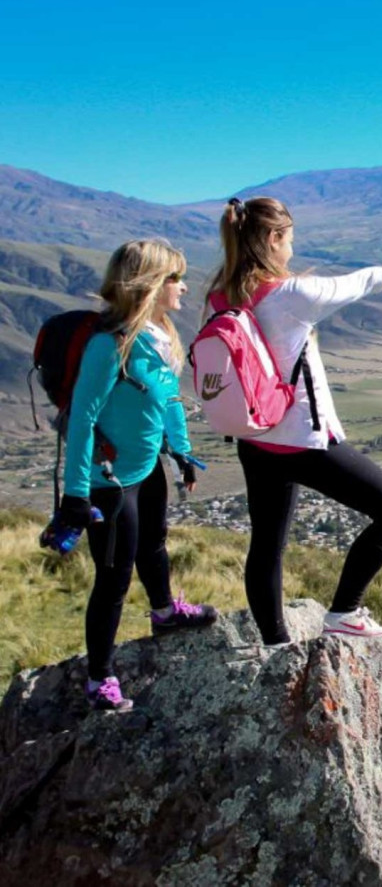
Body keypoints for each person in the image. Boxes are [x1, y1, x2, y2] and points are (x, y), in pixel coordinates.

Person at [209, 196, 382, 646]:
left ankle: (275, 642)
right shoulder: (295, 295)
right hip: (300, 440)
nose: (292, 251)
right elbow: (369, 280)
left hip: (253, 437)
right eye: (290, 241)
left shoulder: (220, 294)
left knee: (267, 545)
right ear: (274, 238)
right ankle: (344, 612)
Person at [59, 239, 218, 712]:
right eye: (174, 278)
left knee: (154, 543)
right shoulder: (108, 347)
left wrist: (183, 453)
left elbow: (168, 400)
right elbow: (82, 419)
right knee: (113, 578)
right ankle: (99, 678)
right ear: (149, 285)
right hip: (107, 482)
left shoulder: (159, 336)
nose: (184, 286)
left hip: (146, 468)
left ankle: (165, 612)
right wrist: (74, 494)